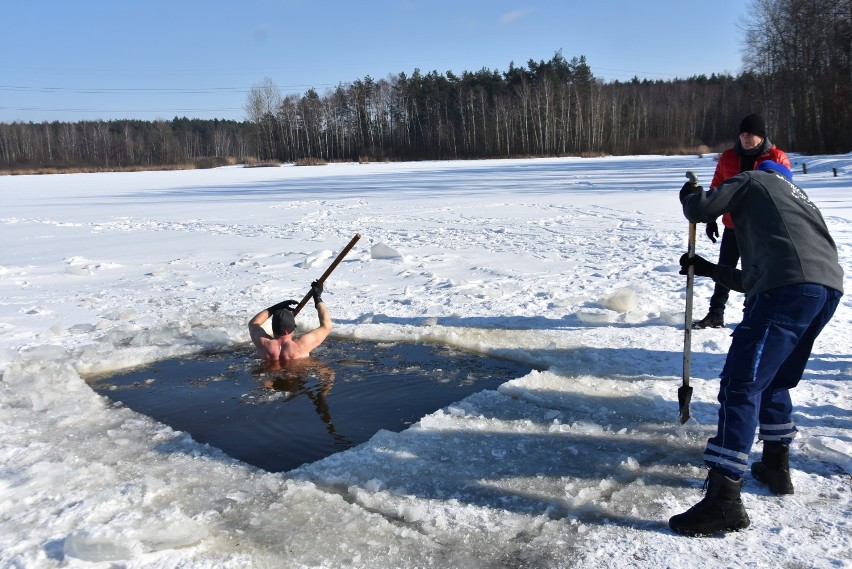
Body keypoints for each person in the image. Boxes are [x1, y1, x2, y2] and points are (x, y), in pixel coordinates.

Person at [669, 161, 843, 536]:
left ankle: (724, 501)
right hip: (823, 291)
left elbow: (700, 209)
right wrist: (707, 267)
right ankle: (776, 467)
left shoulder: (756, 179)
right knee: (774, 379)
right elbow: (754, 279)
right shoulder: (797, 205)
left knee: (741, 384)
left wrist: (690, 198)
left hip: (787, 291)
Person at [693, 113, 791, 329]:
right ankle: (715, 314)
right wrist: (711, 218)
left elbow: (784, 193)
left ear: (761, 136)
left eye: (751, 134)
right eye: (742, 133)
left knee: (754, 274)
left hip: (760, 230)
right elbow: (717, 187)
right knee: (724, 269)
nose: (745, 137)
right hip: (733, 225)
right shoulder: (728, 157)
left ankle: (751, 316)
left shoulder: (776, 158)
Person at [248, 280, 332, 361]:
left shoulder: (263, 344)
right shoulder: (301, 346)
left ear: (273, 328)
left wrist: (274, 308)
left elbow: (253, 323)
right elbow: (326, 326)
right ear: (291, 328)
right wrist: (317, 298)